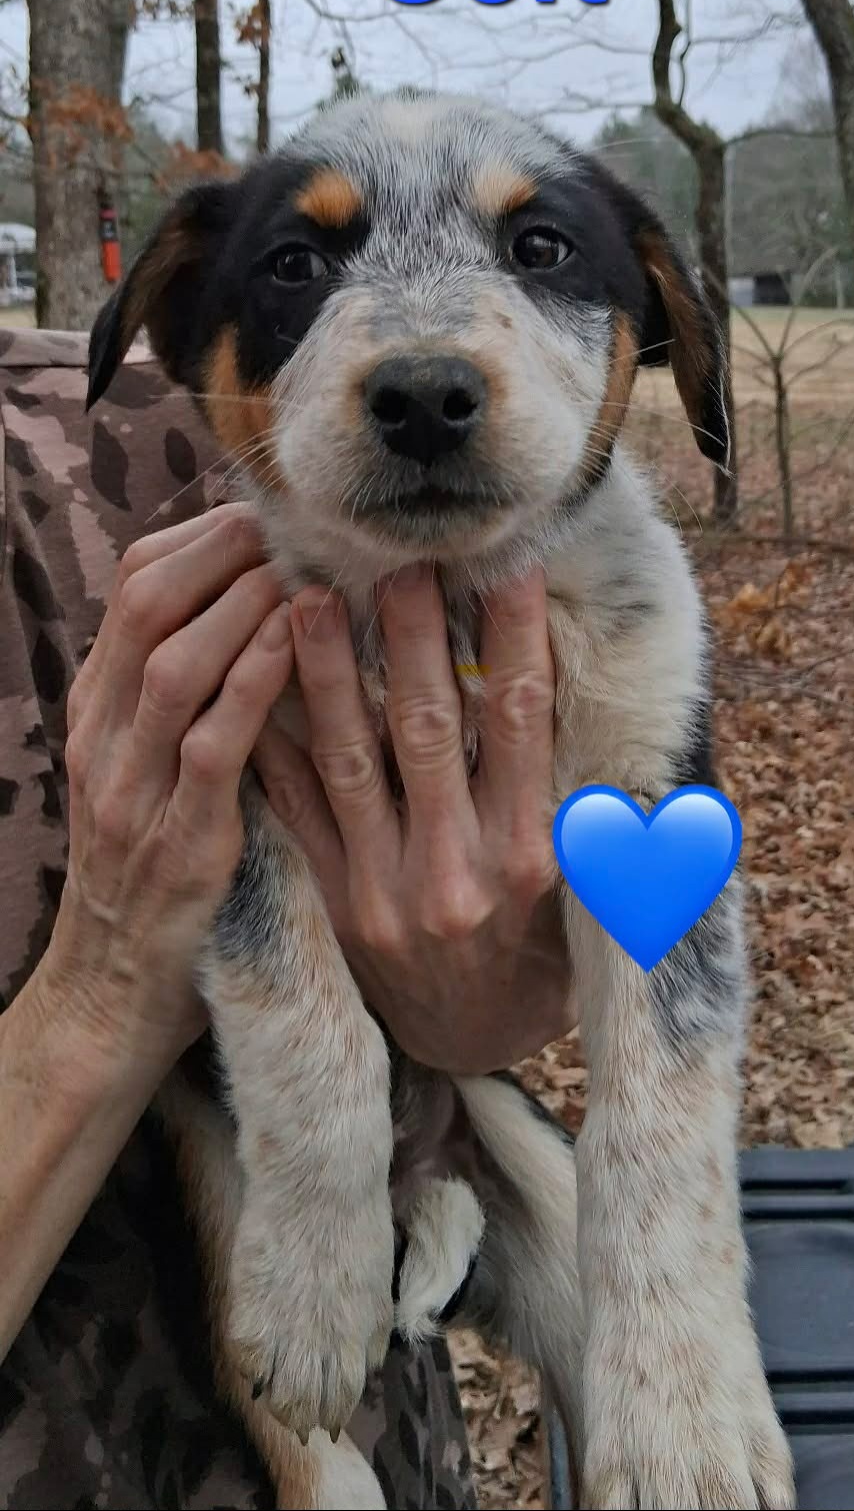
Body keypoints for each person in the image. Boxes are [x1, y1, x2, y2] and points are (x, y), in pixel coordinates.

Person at [0, 325, 575, 1511]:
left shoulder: (191, 406)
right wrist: (100, 990)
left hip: (378, 1421)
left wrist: (487, 992)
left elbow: (480, 811)